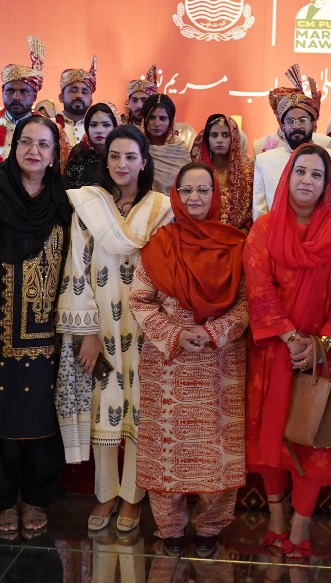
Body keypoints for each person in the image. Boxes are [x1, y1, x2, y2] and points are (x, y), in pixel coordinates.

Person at [245, 143, 331, 560]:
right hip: (274, 352)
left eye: (317, 174)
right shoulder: (263, 228)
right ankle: (277, 514)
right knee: (272, 431)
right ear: (287, 176)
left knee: (312, 435)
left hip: (323, 357)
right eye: (300, 172)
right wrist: (291, 338)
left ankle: (302, 522)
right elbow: (258, 287)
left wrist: (320, 344)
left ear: (328, 184)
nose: (307, 181)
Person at [58, 125, 173, 535]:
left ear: (144, 162)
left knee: (141, 407)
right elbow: (76, 267)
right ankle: (105, 492)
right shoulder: (90, 205)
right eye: (115, 156)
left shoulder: (162, 208)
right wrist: (87, 331)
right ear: (105, 162)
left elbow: (169, 269)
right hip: (101, 325)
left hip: (145, 325)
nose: (122, 164)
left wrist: (161, 326)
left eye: (130, 157)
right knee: (102, 404)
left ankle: (132, 496)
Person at [131, 162, 249, 557]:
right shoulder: (159, 243)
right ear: (176, 195)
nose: (195, 197)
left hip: (220, 362)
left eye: (203, 190)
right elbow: (139, 300)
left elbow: (249, 303)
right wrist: (176, 334)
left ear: (216, 196)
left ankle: (211, 527)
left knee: (217, 446)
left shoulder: (236, 244)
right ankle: (171, 528)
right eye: (187, 190)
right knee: (168, 448)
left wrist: (215, 332)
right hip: (168, 363)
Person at [0, 114, 73, 537]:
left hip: (51, 333)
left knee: (45, 416)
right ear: (14, 146)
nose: (34, 151)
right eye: (27, 142)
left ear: (54, 153)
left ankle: (37, 496)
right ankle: (3, 499)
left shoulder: (63, 196)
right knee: (0, 416)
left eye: (44, 144)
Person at [252, 65, 331, 220]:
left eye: (302, 120)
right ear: (282, 127)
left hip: (323, 233)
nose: (296, 126)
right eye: (290, 121)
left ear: (314, 124)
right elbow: (260, 214)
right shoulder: (264, 161)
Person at [0, 36, 46, 175]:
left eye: (23, 91)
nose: (16, 96)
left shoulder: (49, 129)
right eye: (10, 91)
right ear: (2, 92)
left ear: (34, 96)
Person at [190, 113, 254, 231]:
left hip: (238, 237)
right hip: (203, 234)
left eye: (225, 135)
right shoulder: (196, 172)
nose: (219, 140)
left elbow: (252, 212)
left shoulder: (247, 172)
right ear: (207, 139)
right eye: (214, 135)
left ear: (234, 138)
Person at [142, 93, 194, 195]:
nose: (156, 123)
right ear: (145, 119)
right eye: (152, 117)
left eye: (162, 118)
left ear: (171, 121)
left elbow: (188, 184)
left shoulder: (180, 148)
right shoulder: (137, 146)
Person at [64, 101, 119, 190]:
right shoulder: (78, 153)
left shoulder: (122, 154)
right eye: (93, 125)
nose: (99, 130)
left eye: (106, 125)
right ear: (86, 128)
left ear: (115, 127)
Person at [55, 55, 98, 155]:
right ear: (61, 97)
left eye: (84, 92)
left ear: (91, 101)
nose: (79, 95)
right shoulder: (50, 125)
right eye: (73, 91)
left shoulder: (98, 128)